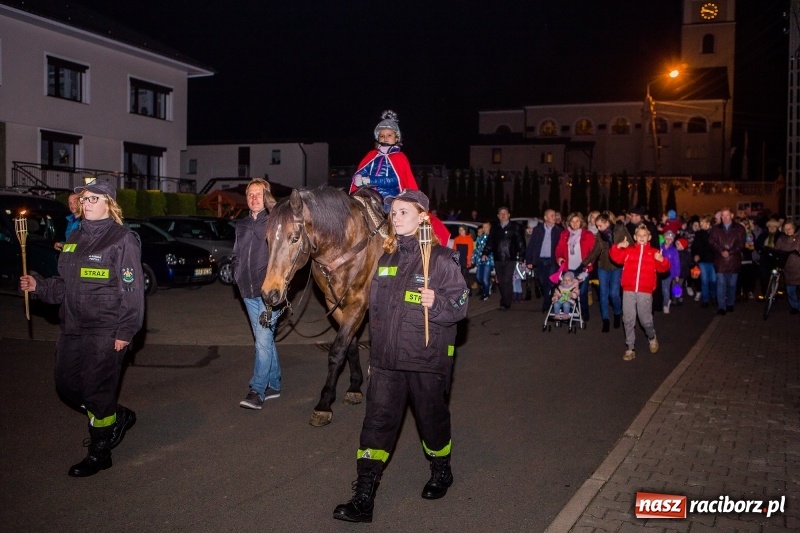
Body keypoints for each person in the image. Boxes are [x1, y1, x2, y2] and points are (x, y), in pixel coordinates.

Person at [333, 189, 469, 523]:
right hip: (387, 361)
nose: (396, 218)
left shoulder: (441, 258)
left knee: (431, 421)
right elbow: (376, 314)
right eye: (393, 213)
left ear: (423, 216)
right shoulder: (386, 260)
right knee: (376, 425)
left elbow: (461, 306)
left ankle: (441, 470)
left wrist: (435, 303)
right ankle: (363, 497)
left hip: (426, 360)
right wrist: (375, 357)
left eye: (403, 212)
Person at [19, 179, 144, 477]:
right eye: (83, 199)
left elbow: (132, 290)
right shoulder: (74, 237)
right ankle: (116, 416)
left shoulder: (122, 239)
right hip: (72, 325)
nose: (84, 204)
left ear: (108, 204)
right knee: (66, 384)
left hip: (106, 328)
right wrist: (40, 286)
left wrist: (125, 331)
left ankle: (100, 452)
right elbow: (65, 284)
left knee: (96, 390)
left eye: (92, 199)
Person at [349, 109, 450, 245]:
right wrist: (359, 177)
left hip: (389, 198)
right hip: (368, 195)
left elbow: (395, 179)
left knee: (395, 218)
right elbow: (363, 169)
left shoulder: (399, 158)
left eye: (389, 135)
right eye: (382, 135)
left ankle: (398, 243)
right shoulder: (371, 156)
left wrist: (371, 180)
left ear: (396, 138)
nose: (385, 138)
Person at [233, 178, 282, 410]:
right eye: (250, 194)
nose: (254, 198)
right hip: (247, 291)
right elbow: (236, 255)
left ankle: (257, 390)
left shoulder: (274, 223)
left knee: (262, 341)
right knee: (265, 340)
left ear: (267, 197)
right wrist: (236, 274)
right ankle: (274, 383)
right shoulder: (241, 225)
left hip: (269, 294)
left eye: (259, 194)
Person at [609, 225, 671, 361]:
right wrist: (618, 246)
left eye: (645, 235)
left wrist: (662, 260)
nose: (642, 237)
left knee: (645, 320)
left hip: (645, 291)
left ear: (649, 237)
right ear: (635, 237)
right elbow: (615, 257)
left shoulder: (654, 252)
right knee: (628, 319)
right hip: (628, 290)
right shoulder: (629, 251)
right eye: (639, 235)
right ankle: (630, 347)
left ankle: (652, 336)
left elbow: (664, 268)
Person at [580, 212, 630, 332]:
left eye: (600, 225)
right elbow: (595, 251)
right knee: (603, 294)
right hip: (603, 267)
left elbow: (631, 245)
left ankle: (618, 313)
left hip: (616, 267)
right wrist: (584, 263)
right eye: (597, 226)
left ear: (607, 223)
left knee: (614, 294)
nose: (598, 228)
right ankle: (605, 319)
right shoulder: (599, 235)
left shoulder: (620, 231)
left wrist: (623, 246)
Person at [482, 206, 526, 310]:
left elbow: (520, 242)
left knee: (507, 280)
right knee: (501, 281)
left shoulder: (515, 227)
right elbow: (490, 242)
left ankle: (506, 302)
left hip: (510, 257)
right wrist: (485, 253)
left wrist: (522, 255)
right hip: (498, 258)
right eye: (501, 213)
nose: (503, 215)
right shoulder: (495, 228)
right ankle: (505, 298)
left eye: (505, 213)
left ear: (509, 215)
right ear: (498, 216)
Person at [555, 212, 596, 319]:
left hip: (583, 268)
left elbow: (593, 252)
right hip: (568, 269)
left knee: (582, 293)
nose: (575, 223)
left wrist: (590, 261)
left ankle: (584, 312)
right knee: (567, 293)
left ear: (581, 222)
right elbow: (558, 250)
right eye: (572, 221)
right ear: (569, 223)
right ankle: (568, 314)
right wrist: (559, 258)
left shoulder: (588, 235)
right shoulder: (564, 235)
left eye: (577, 221)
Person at [708, 207, 746, 315]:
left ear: (732, 215)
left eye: (727, 215)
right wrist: (721, 251)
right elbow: (712, 242)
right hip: (720, 260)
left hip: (733, 260)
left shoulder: (739, 229)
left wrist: (731, 252)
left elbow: (741, 244)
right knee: (720, 284)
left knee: (732, 284)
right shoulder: (716, 229)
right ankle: (721, 307)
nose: (725, 218)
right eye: (723, 216)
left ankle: (730, 303)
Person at [526, 209, 563, 312]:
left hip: (552, 260)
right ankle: (548, 297)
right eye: (551, 215)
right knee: (542, 282)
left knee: (550, 281)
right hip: (540, 260)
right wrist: (529, 260)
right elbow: (531, 245)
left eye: (554, 215)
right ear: (545, 217)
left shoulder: (559, 231)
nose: (554, 217)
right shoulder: (538, 230)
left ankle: (547, 302)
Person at [691, 215, 716, 308]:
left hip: (713, 260)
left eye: (702, 222)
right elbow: (694, 247)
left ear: (708, 223)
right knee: (704, 280)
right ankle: (705, 300)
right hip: (702, 260)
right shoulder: (699, 234)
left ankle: (714, 296)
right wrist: (695, 254)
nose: (700, 224)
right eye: (700, 222)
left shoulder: (714, 233)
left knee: (713, 280)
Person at [775, 220, 800, 314]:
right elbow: (777, 250)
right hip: (788, 268)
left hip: (798, 266)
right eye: (785, 229)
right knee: (790, 291)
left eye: (789, 229)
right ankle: (794, 307)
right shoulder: (781, 239)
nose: (787, 231)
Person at [755, 218, 782, 297]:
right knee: (764, 277)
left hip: (775, 260)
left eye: (774, 226)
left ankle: (774, 294)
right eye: (770, 226)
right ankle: (765, 293)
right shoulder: (763, 235)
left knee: (775, 278)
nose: (772, 228)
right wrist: (762, 250)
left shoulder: (780, 236)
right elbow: (758, 245)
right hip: (764, 259)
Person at [659, 230, 680, 314]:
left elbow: (676, 263)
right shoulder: (660, 247)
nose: (668, 240)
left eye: (670, 239)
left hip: (669, 272)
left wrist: (677, 274)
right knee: (662, 288)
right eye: (667, 238)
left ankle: (665, 304)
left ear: (672, 240)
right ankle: (665, 301)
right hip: (660, 271)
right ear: (664, 238)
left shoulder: (674, 250)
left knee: (665, 288)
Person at [472, 222, 494, 300]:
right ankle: (489, 283)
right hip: (480, 261)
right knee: (478, 277)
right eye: (483, 227)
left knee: (485, 279)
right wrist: (474, 259)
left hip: (488, 261)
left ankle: (486, 294)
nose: (484, 229)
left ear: (490, 227)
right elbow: (476, 249)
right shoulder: (480, 238)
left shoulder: (491, 237)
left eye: (486, 227)